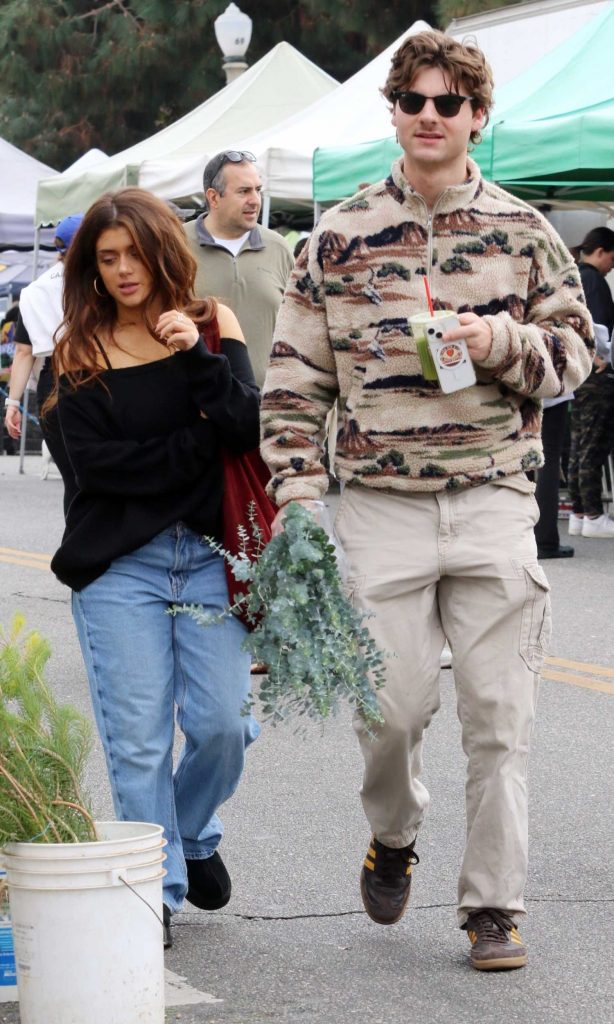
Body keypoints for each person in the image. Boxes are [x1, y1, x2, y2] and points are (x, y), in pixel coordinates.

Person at [260, 30, 593, 972]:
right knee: (393, 710)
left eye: (451, 103)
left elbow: (576, 358)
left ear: (478, 116)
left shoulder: (527, 232)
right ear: (396, 113)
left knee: (501, 718)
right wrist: (295, 491)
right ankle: (396, 834)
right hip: (380, 506)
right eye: (416, 101)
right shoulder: (339, 234)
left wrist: (499, 346)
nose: (432, 117)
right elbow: (294, 379)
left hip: (493, 497)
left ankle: (494, 908)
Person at [47, 187, 261, 949]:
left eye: (134, 253)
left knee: (223, 725)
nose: (122, 270)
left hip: (208, 559)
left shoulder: (210, 326)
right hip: (119, 568)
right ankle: (156, 890)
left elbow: (246, 428)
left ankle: (191, 832)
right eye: (106, 259)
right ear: (91, 269)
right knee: (137, 742)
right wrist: (196, 445)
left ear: (163, 250)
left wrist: (194, 360)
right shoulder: (73, 351)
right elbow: (98, 472)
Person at [184, 150, 293, 389]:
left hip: (269, 408)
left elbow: (299, 327)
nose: (255, 200)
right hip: (198, 409)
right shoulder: (175, 245)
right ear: (213, 198)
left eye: (258, 190)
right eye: (244, 191)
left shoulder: (279, 248)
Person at [3, 215, 83, 488]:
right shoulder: (100, 281)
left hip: (53, 381)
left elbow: (24, 352)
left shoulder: (34, 290)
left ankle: (76, 530)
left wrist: (12, 404)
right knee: (96, 477)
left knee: (73, 480)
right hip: (98, 373)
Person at [566, 227, 614, 538]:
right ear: (600, 252)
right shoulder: (594, 280)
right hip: (596, 375)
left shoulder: (572, 277)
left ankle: (580, 512)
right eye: (612, 258)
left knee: (578, 445)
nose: (612, 266)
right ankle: (594, 515)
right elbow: (597, 329)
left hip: (577, 374)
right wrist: (601, 357)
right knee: (593, 446)